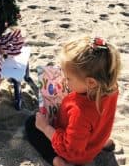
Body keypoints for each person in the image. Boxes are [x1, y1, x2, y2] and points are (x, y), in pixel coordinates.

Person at [25, 36, 121, 166]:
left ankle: (56, 161)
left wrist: (45, 127)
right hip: (95, 139)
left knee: (31, 124)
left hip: (78, 155)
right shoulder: (111, 88)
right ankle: (102, 143)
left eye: (68, 78)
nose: (64, 80)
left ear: (91, 82)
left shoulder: (80, 112)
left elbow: (70, 150)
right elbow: (100, 118)